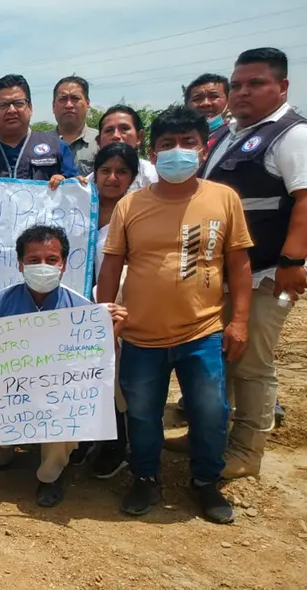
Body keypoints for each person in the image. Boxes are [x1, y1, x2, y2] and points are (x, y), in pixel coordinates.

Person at [98, 105, 253, 524]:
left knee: (210, 412)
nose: (177, 152)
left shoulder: (224, 199)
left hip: (201, 332)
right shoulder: (131, 206)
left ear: (203, 150)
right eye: (167, 145)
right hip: (140, 336)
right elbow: (111, 266)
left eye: (187, 143)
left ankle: (205, 482)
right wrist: (103, 322)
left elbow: (238, 264)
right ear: (153, 150)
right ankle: (145, 477)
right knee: (144, 413)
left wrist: (238, 321)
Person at [0, 225, 127, 507]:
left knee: (69, 418)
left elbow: (96, 370)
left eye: (51, 259)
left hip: (56, 399)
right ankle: (1, 454)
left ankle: (51, 475)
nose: (42, 266)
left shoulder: (82, 310)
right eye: (34, 260)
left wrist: (113, 331)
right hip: (9, 397)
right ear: (20, 265)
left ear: (64, 264)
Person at [199, 48, 307, 476]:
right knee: (222, 357)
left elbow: (304, 200)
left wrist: (293, 260)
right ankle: (212, 432)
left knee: (251, 363)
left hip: (264, 272)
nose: (243, 92)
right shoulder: (231, 133)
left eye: (256, 84)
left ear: (281, 87)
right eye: (238, 84)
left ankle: (246, 451)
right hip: (225, 273)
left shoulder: (292, 135)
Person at [84, 142, 143, 480]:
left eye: (121, 171)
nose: (112, 178)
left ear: (133, 177)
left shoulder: (139, 210)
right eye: (105, 170)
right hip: (76, 305)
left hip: (119, 307)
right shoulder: (77, 202)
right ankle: (82, 441)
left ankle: (117, 443)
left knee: (116, 377)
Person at [0, 74, 78, 186]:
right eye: (3, 105)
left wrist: (66, 185)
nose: (11, 110)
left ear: (30, 108)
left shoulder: (57, 147)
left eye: (18, 103)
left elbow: (76, 194)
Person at [90, 105, 159, 191]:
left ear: (139, 137)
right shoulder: (88, 185)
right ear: (98, 141)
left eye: (124, 129)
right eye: (109, 130)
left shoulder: (154, 177)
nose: (116, 136)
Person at [53, 76, 100, 175]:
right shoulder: (40, 144)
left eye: (75, 98)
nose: (69, 105)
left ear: (87, 104)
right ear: (53, 106)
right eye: (63, 99)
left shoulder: (101, 142)